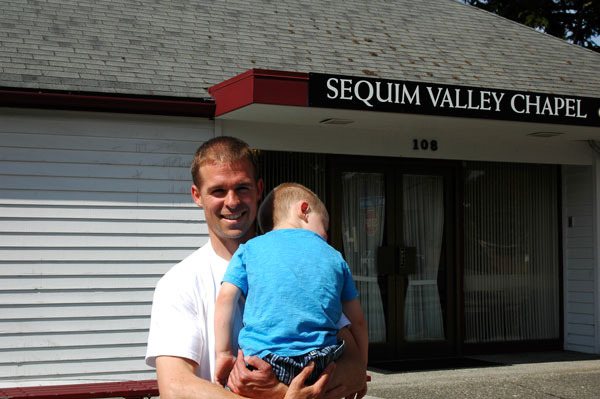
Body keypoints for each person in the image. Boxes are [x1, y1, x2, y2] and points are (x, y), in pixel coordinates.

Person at [145, 136, 367, 399]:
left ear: (259, 188)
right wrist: (282, 395)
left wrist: (281, 391)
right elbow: (175, 387)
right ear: (197, 195)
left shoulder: (307, 264)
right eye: (218, 191)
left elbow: (353, 364)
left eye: (242, 188)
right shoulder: (180, 282)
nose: (232, 201)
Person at [214, 183, 368, 392]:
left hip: (263, 361)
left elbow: (225, 299)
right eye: (325, 227)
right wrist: (360, 369)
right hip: (322, 361)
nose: (325, 236)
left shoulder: (249, 249)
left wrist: (223, 353)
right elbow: (357, 322)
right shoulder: (334, 256)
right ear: (304, 210)